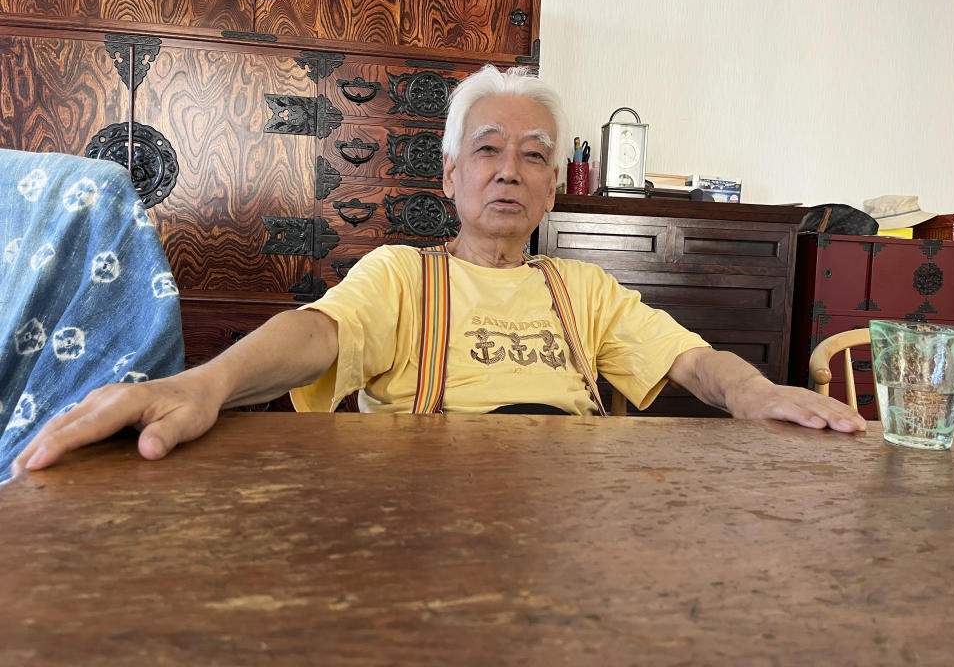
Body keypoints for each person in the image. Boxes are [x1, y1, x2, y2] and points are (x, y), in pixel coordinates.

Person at [11, 66, 865, 476]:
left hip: (563, 508)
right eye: (486, 151)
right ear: (449, 175)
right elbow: (314, 334)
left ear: (550, 188)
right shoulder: (399, 275)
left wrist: (755, 393)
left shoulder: (587, 291)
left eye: (533, 157)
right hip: (424, 504)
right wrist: (210, 382)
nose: (509, 171)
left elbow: (690, 360)